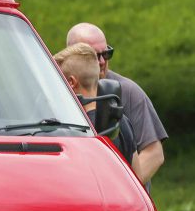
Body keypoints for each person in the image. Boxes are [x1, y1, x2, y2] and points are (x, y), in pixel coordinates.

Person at [66, 23, 167, 185]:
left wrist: (124, 190)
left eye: (106, 54)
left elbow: (154, 153)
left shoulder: (128, 92)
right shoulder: (55, 94)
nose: (101, 61)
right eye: (93, 56)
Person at [54, 43, 140, 171]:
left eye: (58, 80)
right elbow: (137, 175)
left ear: (71, 82)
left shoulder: (76, 128)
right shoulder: (120, 121)